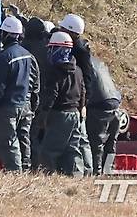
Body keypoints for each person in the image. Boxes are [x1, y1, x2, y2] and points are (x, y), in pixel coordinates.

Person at [0, 15, 39, 172]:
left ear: (5, 34)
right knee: (23, 138)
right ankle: (26, 169)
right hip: (26, 106)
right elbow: (35, 85)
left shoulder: (4, 57)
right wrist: (33, 105)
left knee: (9, 141)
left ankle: (15, 173)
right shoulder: (29, 56)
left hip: (8, 106)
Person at [39, 31, 85, 176]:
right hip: (75, 114)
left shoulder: (55, 71)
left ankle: (49, 176)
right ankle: (76, 176)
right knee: (72, 148)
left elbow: (52, 94)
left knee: (49, 150)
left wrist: (44, 114)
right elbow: (83, 91)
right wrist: (81, 107)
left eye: (52, 48)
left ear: (58, 49)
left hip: (60, 114)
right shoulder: (77, 70)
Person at [58, 12, 94, 175]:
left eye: (63, 28)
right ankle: (85, 169)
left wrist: (83, 103)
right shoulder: (79, 46)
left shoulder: (78, 50)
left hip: (79, 99)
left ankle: (86, 169)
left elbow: (87, 79)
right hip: (79, 97)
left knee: (81, 137)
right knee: (79, 138)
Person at [86, 54, 122, 174]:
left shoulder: (81, 61)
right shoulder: (98, 62)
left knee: (97, 141)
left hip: (100, 102)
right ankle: (108, 169)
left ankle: (97, 171)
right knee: (111, 141)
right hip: (114, 100)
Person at [22, 17, 49, 170]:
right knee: (36, 135)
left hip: (26, 97)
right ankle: (37, 166)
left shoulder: (23, 49)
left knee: (28, 135)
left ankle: (32, 166)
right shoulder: (46, 49)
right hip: (42, 98)